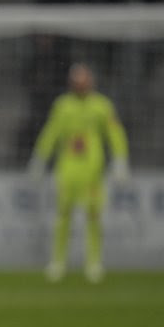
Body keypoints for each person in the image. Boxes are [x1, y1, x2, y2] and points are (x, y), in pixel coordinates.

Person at [29, 63, 129, 283]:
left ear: (90, 82)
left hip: (93, 170)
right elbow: (51, 133)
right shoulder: (63, 106)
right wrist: (40, 158)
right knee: (63, 216)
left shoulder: (102, 106)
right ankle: (58, 262)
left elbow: (115, 133)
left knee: (93, 216)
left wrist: (120, 159)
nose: (80, 85)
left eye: (83, 81)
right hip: (67, 170)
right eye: (76, 82)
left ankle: (93, 262)